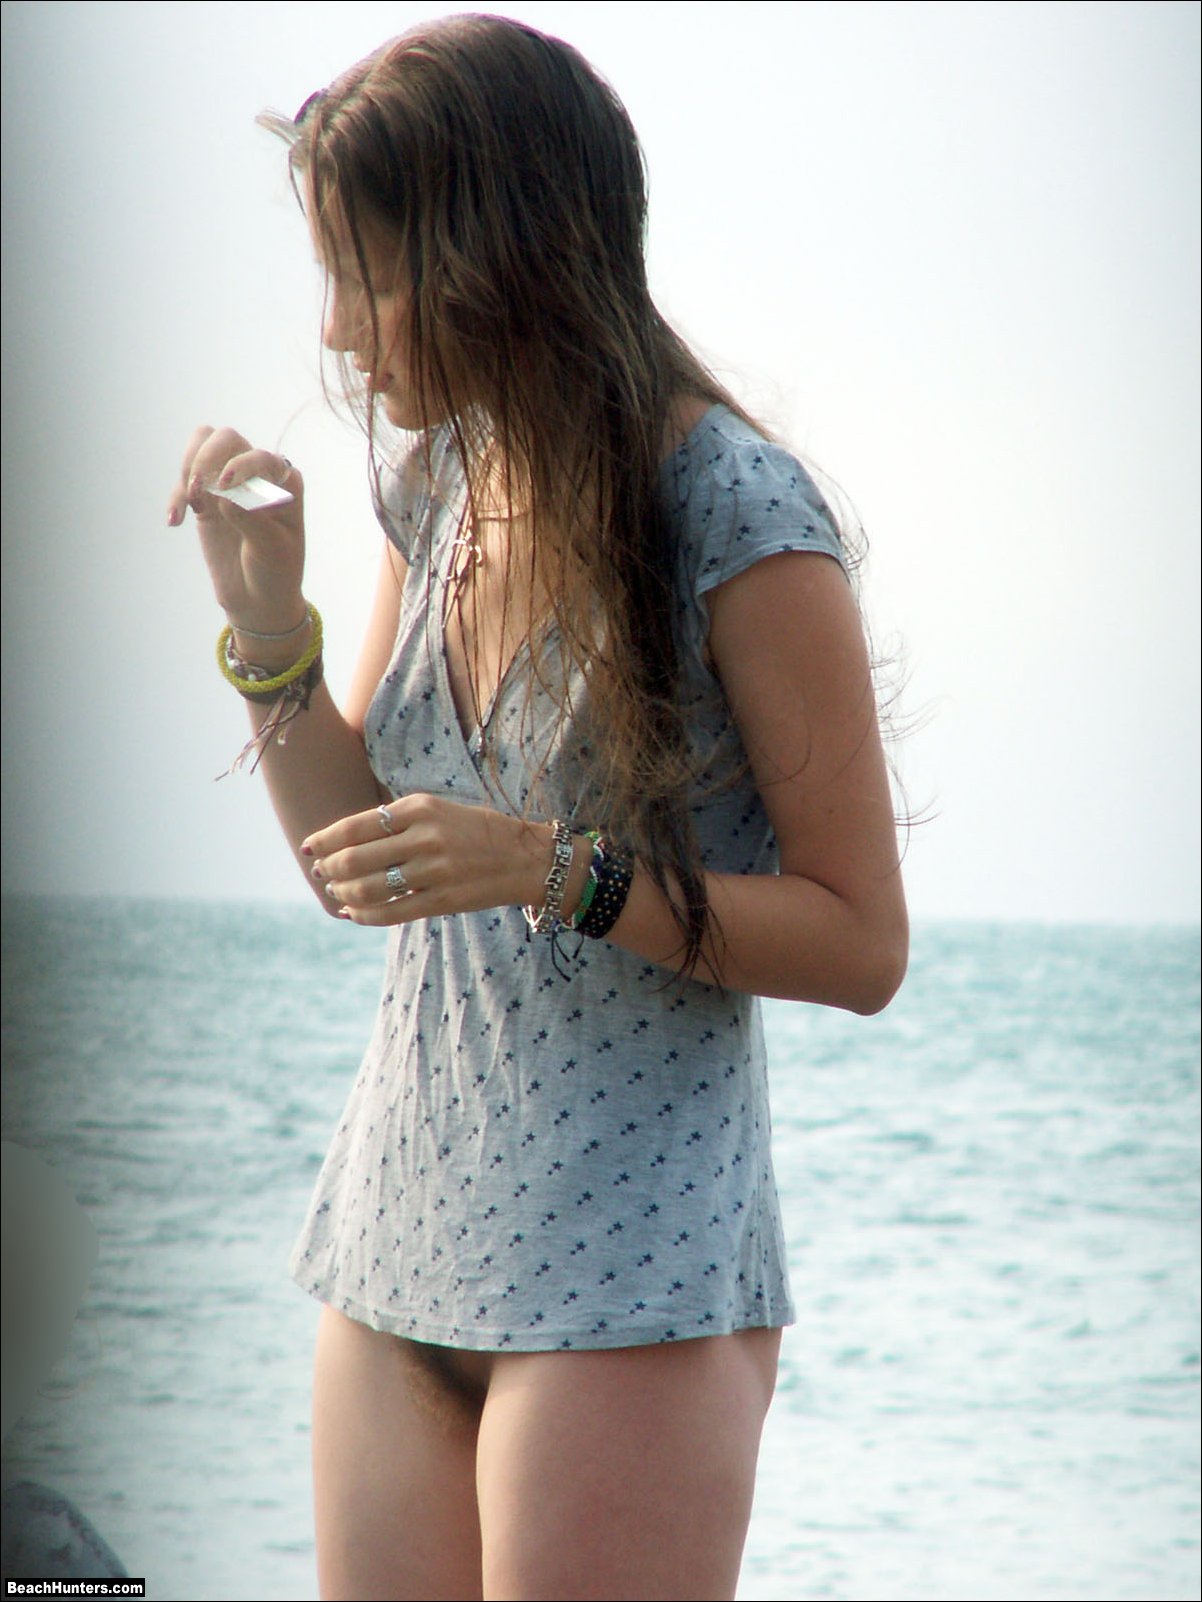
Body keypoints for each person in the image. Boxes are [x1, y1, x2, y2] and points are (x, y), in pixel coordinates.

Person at [165, 15, 908, 1600]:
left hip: (623, 1279)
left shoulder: (737, 509)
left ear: (498, 249)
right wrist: (270, 631)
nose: (339, 332)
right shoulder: (434, 481)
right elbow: (358, 872)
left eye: (368, 275)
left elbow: (860, 942)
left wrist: (553, 869)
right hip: (390, 1245)